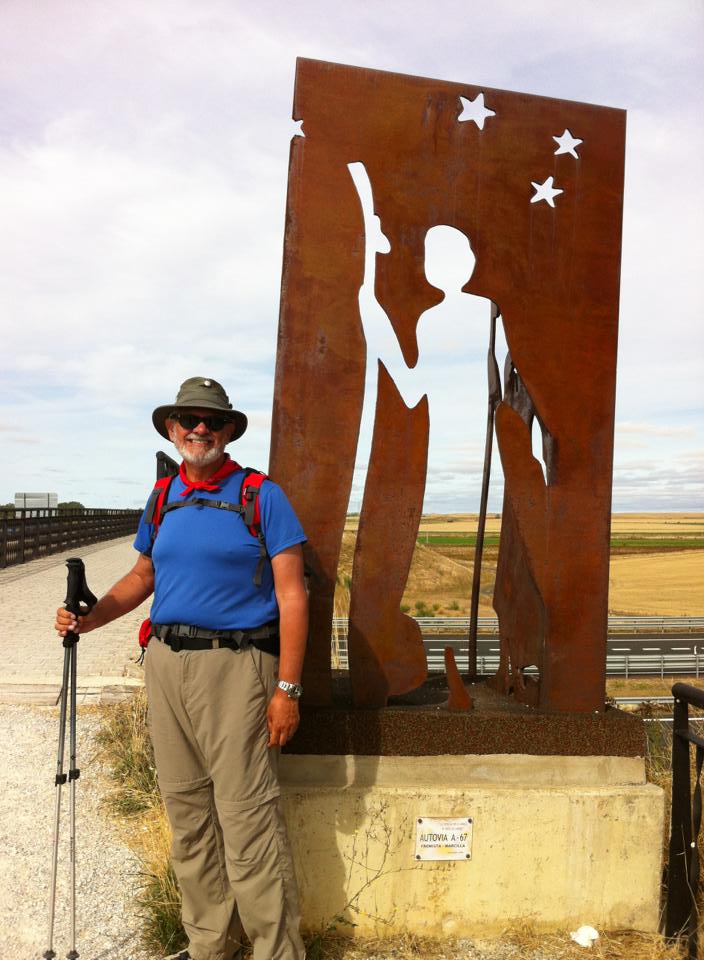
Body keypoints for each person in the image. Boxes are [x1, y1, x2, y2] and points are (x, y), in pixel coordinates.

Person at [55, 376, 308, 960]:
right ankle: (208, 947)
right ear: (172, 428)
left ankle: (276, 951)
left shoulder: (260, 495)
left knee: (247, 820)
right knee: (188, 814)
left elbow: (293, 595)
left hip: (238, 669)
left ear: (227, 431)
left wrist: (287, 689)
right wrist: (91, 619)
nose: (200, 429)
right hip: (166, 665)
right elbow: (145, 576)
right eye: (189, 420)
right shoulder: (163, 497)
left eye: (212, 421)